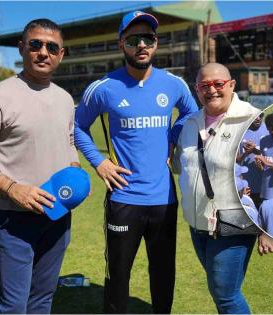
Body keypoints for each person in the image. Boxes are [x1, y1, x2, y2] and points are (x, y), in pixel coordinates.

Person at [73, 11, 198, 313]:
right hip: (124, 197)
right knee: (118, 274)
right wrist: (99, 163)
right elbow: (76, 127)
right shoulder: (103, 87)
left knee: (164, 272)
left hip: (164, 199)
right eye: (133, 39)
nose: (142, 45)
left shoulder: (174, 84)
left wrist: (175, 135)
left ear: (156, 44)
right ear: (122, 45)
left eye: (148, 38)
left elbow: (192, 115)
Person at [0, 19, 79, 313]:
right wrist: (12, 189)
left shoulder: (64, 99)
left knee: (42, 298)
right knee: (13, 305)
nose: (43, 52)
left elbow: (69, 141)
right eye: (35, 44)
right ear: (22, 48)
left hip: (58, 215)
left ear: (61, 55)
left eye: (52, 47)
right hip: (15, 218)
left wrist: (73, 166)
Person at [174, 62, 273, 314]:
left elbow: (270, 176)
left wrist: (269, 228)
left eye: (218, 84)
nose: (211, 90)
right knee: (222, 291)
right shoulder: (190, 123)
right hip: (199, 223)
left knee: (226, 295)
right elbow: (181, 166)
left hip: (234, 222)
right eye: (204, 85)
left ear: (231, 85)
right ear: (196, 90)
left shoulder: (252, 120)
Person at [236, 113, 268, 208]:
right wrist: (247, 152)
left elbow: (271, 157)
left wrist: (255, 150)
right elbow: (236, 160)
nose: (258, 118)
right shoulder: (239, 131)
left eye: (261, 115)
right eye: (255, 116)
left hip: (263, 185)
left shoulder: (268, 130)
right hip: (245, 185)